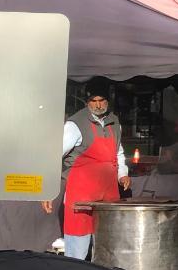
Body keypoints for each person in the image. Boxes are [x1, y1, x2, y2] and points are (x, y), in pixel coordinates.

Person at [43, 84, 131, 260]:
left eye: (102, 101)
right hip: (81, 194)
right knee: (77, 247)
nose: (98, 105)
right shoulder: (75, 124)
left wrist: (122, 174)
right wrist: (47, 189)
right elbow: (52, 156)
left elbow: (118, 153)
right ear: (87, 102)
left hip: (108, 193)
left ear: (108, 101)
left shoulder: (114, 123)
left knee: (107, 245)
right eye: (94, 101)